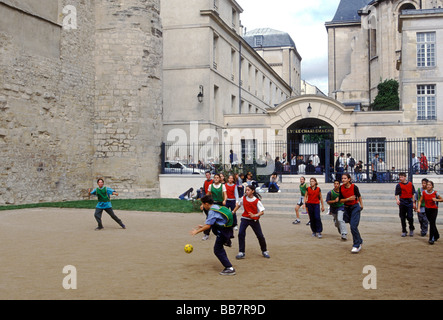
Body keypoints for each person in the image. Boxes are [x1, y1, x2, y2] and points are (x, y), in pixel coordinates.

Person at [190, 195, 236, 276]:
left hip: (222, 232)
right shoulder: (216, 206)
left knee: (217, 250)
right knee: (219, 248)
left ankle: (229, 268)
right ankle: (227, 241)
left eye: (203, 204)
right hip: (227, 229)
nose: (203, 206)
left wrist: (196, 232)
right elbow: (211, 222)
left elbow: (208, 226)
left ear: (207, 204)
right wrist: (203, 226)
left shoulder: (211, 211)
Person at [233, 185, 270, 259]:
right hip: (245, 219)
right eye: (246, 190)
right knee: (241, 234)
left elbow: (262, 212)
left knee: (260, 235)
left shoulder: (256, 201)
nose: (246, 191)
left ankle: (264, 251)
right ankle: (241, 252)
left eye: (248, 190)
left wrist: (254, 215)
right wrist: (233, 211)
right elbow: (239, 205)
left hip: (254, 220)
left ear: (252, 191)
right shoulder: (243, 198)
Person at [339, 173, 364, 253]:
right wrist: (348, 199)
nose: (343, 180)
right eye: (342, 178)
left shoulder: (354, 187)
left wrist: (361, 205)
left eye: (345, 178)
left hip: (355, 207)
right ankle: (359, 240)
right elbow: (340, 200)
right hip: (347, 208)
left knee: (353, 226)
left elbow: (359, 196)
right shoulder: (341, 188)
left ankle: (356, 245)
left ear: (349, 179)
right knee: (352, 226)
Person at [417, 180, 442, 245]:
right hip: (427, 209)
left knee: (432, 223)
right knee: (431, 223)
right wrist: (418, 208)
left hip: (434, 209)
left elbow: (442, 199)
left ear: (432, 186)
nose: (428, 186)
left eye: (429, 185)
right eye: (427, 185)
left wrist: (436, 199)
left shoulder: (435, 193)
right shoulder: (424, 192)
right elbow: (420, 201)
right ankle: (436, 235)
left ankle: (431, 238)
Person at [395, 173, 416, 237]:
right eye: (400, 177)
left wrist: (414, 202)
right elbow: (396, 194)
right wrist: (397, 200)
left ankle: (411, 228)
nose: (400, 178)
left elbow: (413, 194)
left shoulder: (410, 184)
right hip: (402, 201)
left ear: (405, 177)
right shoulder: (398, 185)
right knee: (402, 217)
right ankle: (404, 230)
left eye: (402, 177)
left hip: (409, 201)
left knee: (410, 216)